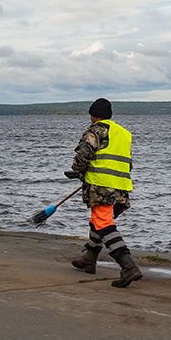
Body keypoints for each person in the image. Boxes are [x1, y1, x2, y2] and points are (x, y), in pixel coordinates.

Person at [66, 98, 143, 287]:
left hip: (101, 185)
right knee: (98, 221)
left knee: (103, 223)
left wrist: (78, 170)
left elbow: (84, 154)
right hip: (121, 186)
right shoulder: (124, 134)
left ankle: (128, 267)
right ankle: (89, 259)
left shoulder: (95, 131)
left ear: (93, 115)